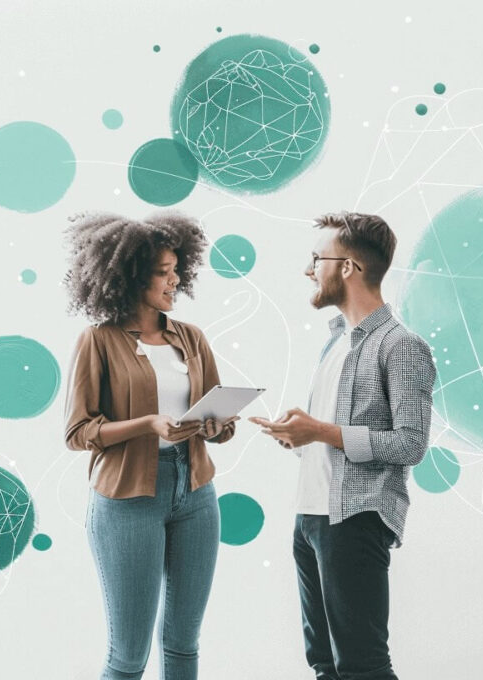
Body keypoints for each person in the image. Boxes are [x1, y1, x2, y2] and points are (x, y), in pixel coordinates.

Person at [249, 212, 436, 680]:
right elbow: (329, 434)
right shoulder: (335, 343)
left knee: (362, 667)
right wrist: (299, 435)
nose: (308, 269)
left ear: (348, 267)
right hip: (310, 517)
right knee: (325, 664)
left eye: (317, 258)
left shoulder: (401, 346)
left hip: (355, 520)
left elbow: (411, 444)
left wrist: (322, 433)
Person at [63, 211, 238, 680]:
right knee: (129, 655)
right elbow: (78, 432)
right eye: (163, 272)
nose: (174, 279)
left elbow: (214, 416)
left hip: (196, 492)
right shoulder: (97, 341)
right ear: (132, 276)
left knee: (183, 645)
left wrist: (217, 425)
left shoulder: (191, 338)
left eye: (177, 269)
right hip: (127, 501)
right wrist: (147, 425)